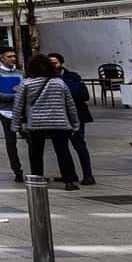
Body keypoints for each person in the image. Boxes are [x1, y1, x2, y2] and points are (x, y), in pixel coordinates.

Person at [16, 54, 80, 191]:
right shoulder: (59, 82)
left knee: (36, 153)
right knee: (63, 152)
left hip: (36, 124)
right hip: (59, 123)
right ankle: (69, 181)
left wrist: (16, 125)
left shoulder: (26, 83)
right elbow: (70, 104)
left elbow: (18, 105)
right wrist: (75, 123)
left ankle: (38, 180)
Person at [47, 53, 96, 185]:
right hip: (57, 118)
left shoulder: (72, 77)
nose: (52, 65)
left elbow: (82, 96)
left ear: (61, 63)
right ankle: (69, 174)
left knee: (79, 146)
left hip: (76, 116)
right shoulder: (45, 79)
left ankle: (88, 175)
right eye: (49, 63)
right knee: (61, 148)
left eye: (55, 62)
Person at [0, 47, 27, 182]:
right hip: (6, 111)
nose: (12, 59)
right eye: (9, 56)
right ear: (2, 58)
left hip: (22, 111)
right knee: (11, 142)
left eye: (14, 56)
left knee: (31, 139)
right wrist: (14, 95)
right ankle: (17, 170)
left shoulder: (20, 73)